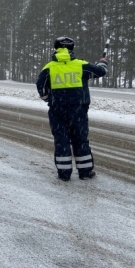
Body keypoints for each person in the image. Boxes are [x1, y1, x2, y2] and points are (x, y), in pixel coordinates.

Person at [36, 37, 108, 181]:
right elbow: (100, 72)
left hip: (57, 110)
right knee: (80, 139)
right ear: (72, 49)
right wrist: (103, 62)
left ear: (56, 49)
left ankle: (64, 174)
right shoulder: (81, 65)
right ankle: (85, 172)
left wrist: (49, 99)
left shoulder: (49, 67)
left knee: (61, 140)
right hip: (78, 110)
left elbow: (41, 87)